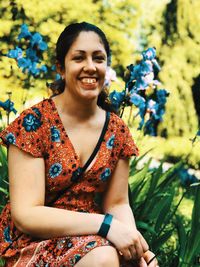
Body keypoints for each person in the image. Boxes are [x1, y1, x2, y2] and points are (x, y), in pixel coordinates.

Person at [0, 22, 158, 267]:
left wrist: (134, 244)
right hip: (32, 241)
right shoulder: (33, 124)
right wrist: (106, 226)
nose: (90, 67)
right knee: (105, 256)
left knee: (126, 259)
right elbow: (26, 215)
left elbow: (117, 203)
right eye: (78, 58)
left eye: (98, 58)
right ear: (61, 68)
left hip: (92, 238)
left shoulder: (116, 131)